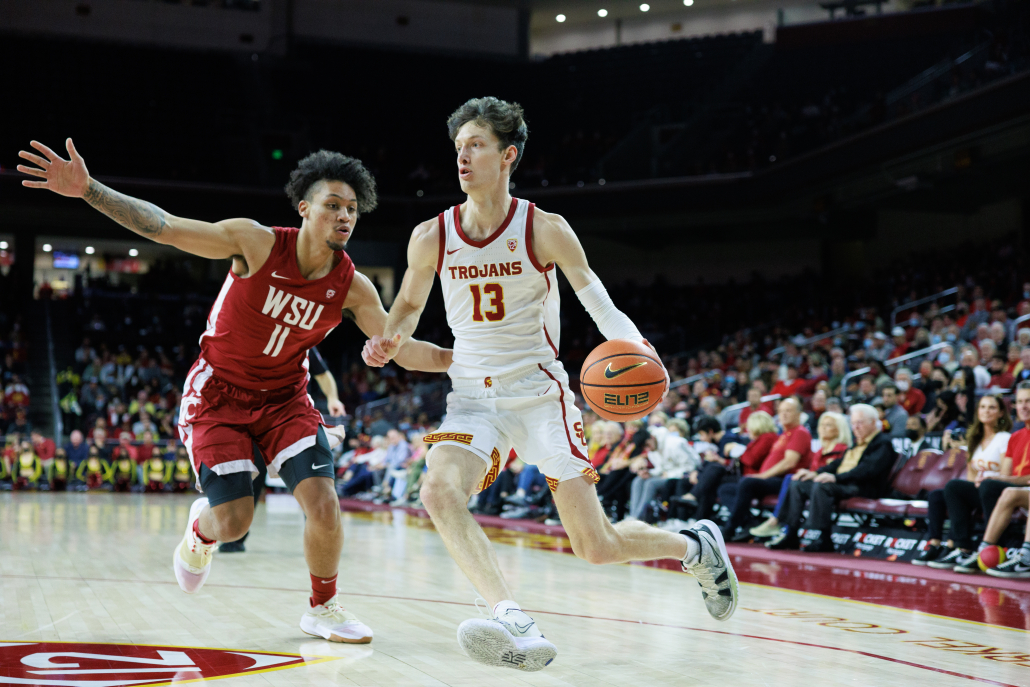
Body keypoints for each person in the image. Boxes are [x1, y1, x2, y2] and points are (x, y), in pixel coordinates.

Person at [17, 138, 452, 644]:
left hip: (286, 400)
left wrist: (455, 359)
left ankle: (323, 607)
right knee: (236, 523)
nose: (344, 217)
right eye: (332, 205)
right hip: (218, 395)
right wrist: (89, 189)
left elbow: (398, 346)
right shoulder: (256, 243)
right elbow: (166, 227)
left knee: (325, 505)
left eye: (352, 209)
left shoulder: (353, 287)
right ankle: (202, 529)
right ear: (304, 207)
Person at [361, 96, 737, 672]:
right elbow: (409, 305)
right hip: (472, 398)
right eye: (458, 146)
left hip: (541, 395)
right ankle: (512, 618)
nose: (463, 156)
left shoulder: (543, 227)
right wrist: (390, 337)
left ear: (508, 155)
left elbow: (597, 301)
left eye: (476, 145)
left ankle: (693, 547)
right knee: (437, 491)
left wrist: (636, 347)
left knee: (596, 546)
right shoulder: (430, 235)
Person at [768, 404, 896, 552]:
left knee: (822, 486)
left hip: (862, 486)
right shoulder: (857, 443)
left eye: (860, 423)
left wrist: (835, 478)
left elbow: (866, 471)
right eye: (853, 423)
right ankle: (791, 534)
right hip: (844, 483)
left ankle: (824, 538)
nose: (856, 427)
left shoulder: (883, 443)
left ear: (873, 422)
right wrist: (815, 473)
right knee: (798, 482)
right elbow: (837, 464)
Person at [918, 394, 1013, 571]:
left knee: (965, 487)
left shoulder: (1004, 438)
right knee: (943, 492)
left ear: (1001, 413)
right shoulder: (974, 439)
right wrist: (975, 484)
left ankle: (975, 547)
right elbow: (971, 475)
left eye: (992, 407)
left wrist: (984, 481)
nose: (986, 411)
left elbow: (1006, 474)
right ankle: (948, 546)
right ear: (977, 411)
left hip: (997, 490)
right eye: (983, 407)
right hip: (980, 488)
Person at [719, 398, 811, 542]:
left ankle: (729, 530)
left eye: (788, 411)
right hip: (771, 479)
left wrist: (763, 476)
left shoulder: (799, 432)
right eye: (781, 411)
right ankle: (749, 523)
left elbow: (789, 462)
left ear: (799, 414)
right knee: (726, 488)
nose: (783, 414)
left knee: (748, 482)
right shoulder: (783, 435)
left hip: (785, 482)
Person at [750, 411, 851, 538]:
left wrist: (812, 474)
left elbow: (836, 471)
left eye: (828, 425)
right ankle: (787, 531)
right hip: (816, 487)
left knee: (792, 480)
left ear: (839, 429)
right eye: (821, 425)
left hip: (830, 487)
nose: (823, 428)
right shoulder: (820, 451)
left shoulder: (843, 450)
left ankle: (778, 522)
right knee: (794, 480)